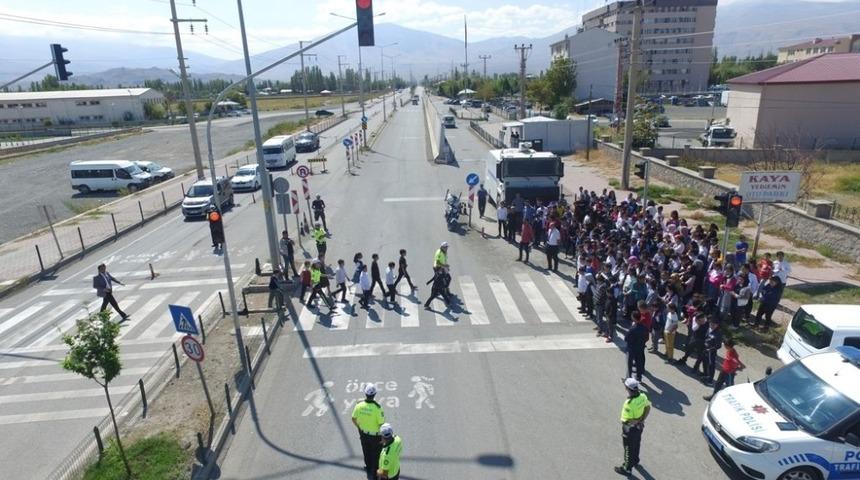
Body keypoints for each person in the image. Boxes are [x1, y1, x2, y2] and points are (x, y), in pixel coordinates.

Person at [614, 378, 651, 476]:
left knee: (628, 448)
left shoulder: (629, 404)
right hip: (639, 427)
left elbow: (628, 420)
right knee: (636, 443)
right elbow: (648, 407)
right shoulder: (643, 396)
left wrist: (637, 421)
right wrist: (642, 420)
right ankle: (635, 460)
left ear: (627, 388)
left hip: (630, 429)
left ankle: (627, 468)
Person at [351, 384, 385, 479]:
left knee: (366, 451)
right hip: (375, 436)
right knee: (376, 454)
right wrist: (383, 438)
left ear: (365, 394)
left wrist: (359, 427)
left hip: (363, 433)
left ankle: (368, 467)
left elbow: (353, 418)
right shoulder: (378, 408)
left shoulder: (359, 405)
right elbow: (381, 424)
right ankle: (374, 473)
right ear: (375, 394)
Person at [624, 311, 648, 381]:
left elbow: (626, 339)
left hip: (631, 349)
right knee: (639, 363)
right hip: (640, 348)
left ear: (634, 318)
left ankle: (629, 378)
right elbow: (646, 338)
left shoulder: (632, 329)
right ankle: (639, 377)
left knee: (630, 363)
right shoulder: (644, 327)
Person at [700, 317, 723, 386]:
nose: (711, 325)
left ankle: (710, 380)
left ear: (717, 325)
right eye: (710, 323)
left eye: (713, 324)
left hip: (711, 352)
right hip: (705, 348)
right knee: (704, 361)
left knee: (711, 365)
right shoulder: (709, 329)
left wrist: (710, 349)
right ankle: (705, 374)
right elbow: (706, 337)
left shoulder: (718, 334)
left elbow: (719, 346)